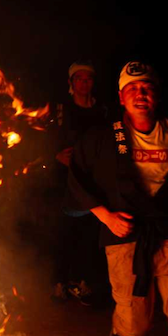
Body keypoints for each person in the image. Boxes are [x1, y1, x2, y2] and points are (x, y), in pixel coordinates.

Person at [67, 61, 168, 336]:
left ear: (157, 95)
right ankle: (123, 332)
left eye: (147, 87)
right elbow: (77, 179)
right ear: (121, 97)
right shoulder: (104, 137)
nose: (141, 93)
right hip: (125, 234)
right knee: (138, 321)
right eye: (133, 88)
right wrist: (105, 217)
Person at [52, 61, 108, 305]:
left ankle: (82, 282)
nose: (84, 83)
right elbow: (48, 139)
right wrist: (54, 157)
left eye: (88, 79)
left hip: (94, 179)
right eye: (79, 79)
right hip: (67, 180)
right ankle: (60, 282)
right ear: (71, 83)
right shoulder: (61, 111)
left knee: (90, 231)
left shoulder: (103, 111)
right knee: (66, 231)